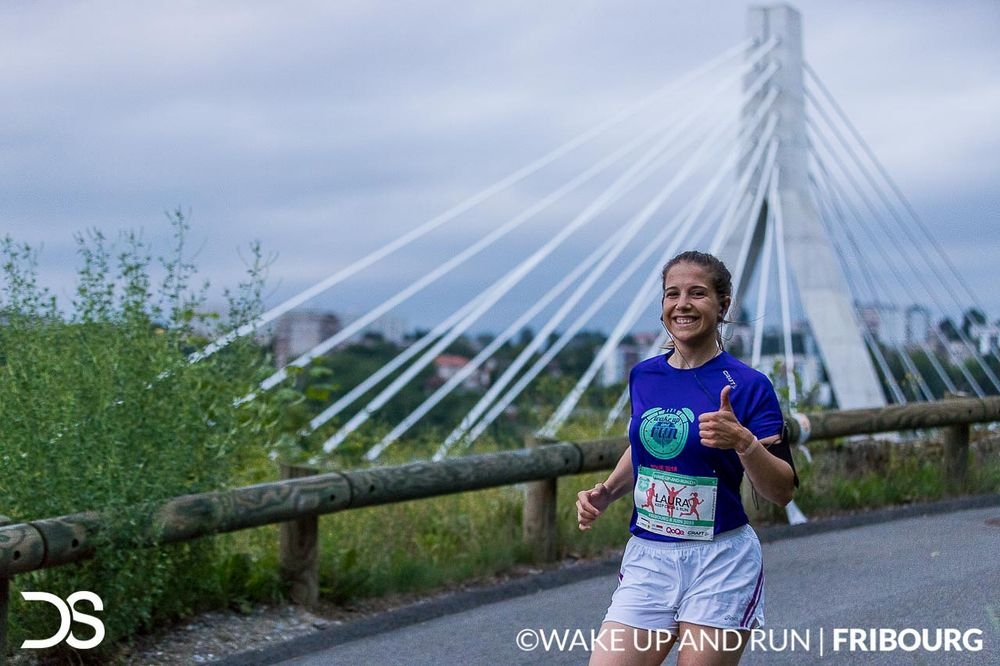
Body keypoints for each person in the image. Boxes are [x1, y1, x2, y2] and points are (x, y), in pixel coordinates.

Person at [576, 250, 797, 665]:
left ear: (723, 305)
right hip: (650, 558)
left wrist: (743, 442)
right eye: (671, 294)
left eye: (697, 293)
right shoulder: (645, 376)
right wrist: (607, 492)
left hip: (720, 561)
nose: (682, 304)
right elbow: (646, 445)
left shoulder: (749, 386)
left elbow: (781, 490)